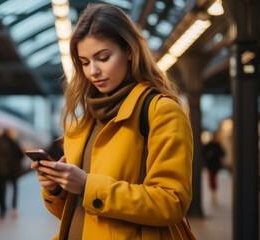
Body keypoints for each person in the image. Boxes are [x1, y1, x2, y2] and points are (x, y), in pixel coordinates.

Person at [31, 4, 194, 239]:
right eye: (85, 62)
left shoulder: (161, 111)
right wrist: (55, 188)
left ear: (129, 50)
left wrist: (87, 186)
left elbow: (172, 202)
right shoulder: (84, 122)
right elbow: (78, 212)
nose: (93, 71)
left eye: (103, 58)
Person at [2, 128, 24, 217]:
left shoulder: (2, 142)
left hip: (4, 169)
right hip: (14, 170)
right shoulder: (15, 143)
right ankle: (14, 207)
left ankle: (3, 207)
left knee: (3, 188)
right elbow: (21, 155)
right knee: (15, 189)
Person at [201, 132, 225, 205]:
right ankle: (213, 194)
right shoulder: (210, 145)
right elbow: (203, 150)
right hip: (211, 165)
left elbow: (223, 153)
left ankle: (214, 193)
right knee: (212, 178)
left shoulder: (218, 145)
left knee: (214, 178)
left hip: (215, 165)